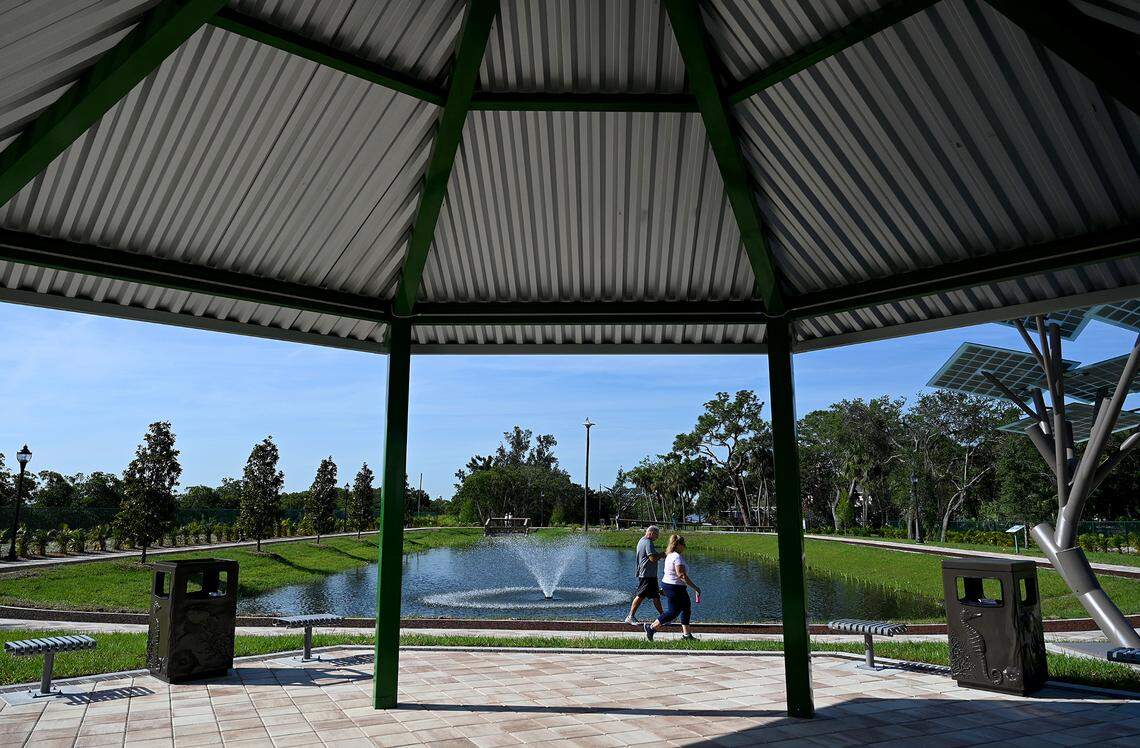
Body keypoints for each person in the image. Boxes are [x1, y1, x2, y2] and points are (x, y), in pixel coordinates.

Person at [644, 534, 701, 641]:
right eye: (683, 544)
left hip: (672, 586)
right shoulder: (676, 557)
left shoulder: (670, 555)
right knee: (673, 612)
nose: (684, 547)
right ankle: (651, 628)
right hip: (674, 587)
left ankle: (687, 635)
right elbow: (681, 575)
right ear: (678, 545)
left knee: (686, 608)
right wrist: (695, 588)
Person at [624, 525, 665, 625]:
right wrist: (662, 554)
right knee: (641, 595)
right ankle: (630, 616)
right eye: (656, 535)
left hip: (649, 574)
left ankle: (664, 617)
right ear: (651, 533)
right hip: (647, 574)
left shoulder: (642, 540)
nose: (657, 538)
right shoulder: (648, 542)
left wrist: (659, 555)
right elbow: (652, 558)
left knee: (655, 596)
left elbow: (651, 557)